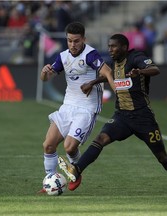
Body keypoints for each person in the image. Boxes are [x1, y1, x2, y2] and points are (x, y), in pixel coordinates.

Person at [58, 33, 167, 193]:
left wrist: (140, 72)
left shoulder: (136, 58)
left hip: (143, 118)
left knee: (162, 156)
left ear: (124, 48)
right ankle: (77, 169)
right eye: (109, 46)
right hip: (122, 116)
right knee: (101, 139)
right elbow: (110, 76)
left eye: (113, 46)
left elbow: (155, 69)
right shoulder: (115, 62)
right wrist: (92, 82)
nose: (110, 49)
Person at [38, 22, 115, 193]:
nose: (73, 45)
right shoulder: (63, 56)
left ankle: (76, 171)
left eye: (76, 41)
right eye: (70, 41)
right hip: (68, 106)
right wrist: (44, 72)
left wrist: (116, 90)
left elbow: (108, 71)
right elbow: (46, 78)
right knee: (48, 145)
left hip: (87, 108)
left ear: (84, 39)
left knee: (69, 147)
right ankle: (50, 180)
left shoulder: (90, 55)